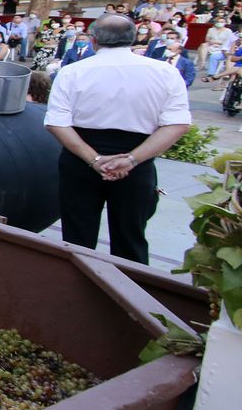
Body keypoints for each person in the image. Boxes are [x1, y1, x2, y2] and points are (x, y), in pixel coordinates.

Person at [45, 15, 191, 264]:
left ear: (93, 41)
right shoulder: (165, 72)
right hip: (135, 160)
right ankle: (132, 295)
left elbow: (57, 123)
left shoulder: (72, 72)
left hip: (83, 158)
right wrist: (132, 160)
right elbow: (177, 124)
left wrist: (96, 160)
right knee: (131, 238)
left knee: (77, 236)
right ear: (133, 38)